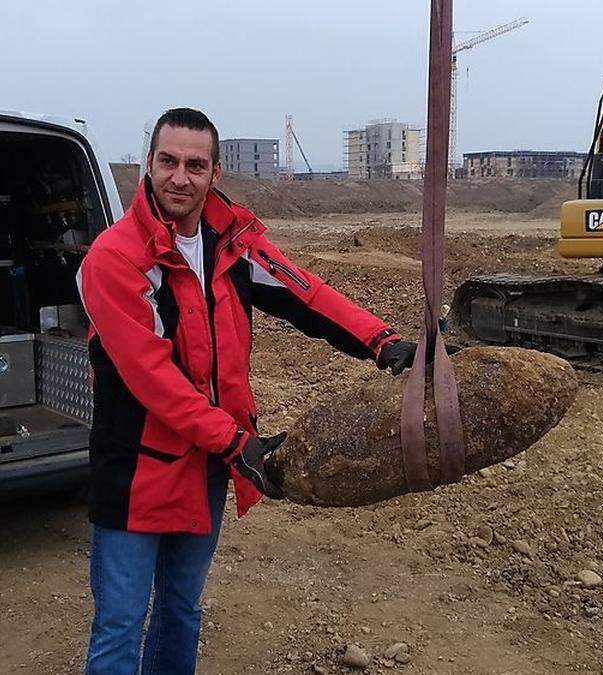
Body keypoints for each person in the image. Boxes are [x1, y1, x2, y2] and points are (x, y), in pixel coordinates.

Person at [78, 107, 416, 674]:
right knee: (120, 622)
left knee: (182, 610)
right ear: (148, 165)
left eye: (194, 164)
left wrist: (382, 341)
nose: (179, 177)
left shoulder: (232, 242)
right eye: (168, 161)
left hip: (206, 463)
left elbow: (304, 293)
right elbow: (154, 381)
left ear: (214, 173)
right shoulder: (114, 260)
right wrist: (237, 442)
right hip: (136, 471)